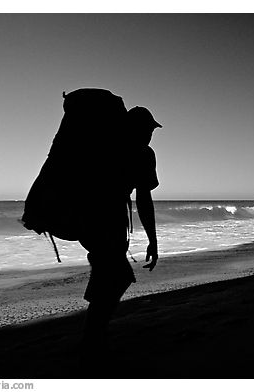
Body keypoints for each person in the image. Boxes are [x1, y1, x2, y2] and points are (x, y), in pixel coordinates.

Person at [78, 106, 161, 369]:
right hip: (104, 224)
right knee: (115, 278)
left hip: (95, 222)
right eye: (148, 129)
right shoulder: (141, 154)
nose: (150, 134)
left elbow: (141, 199)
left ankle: (94, 342)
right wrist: (152, 239)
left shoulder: (106, 147)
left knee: (109, 278)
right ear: (137, 128)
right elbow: (144, 200)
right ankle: (92, 348)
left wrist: (152, 239)